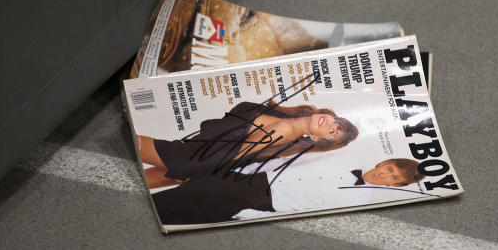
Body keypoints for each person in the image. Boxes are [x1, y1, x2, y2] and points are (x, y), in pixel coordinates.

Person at [137, 100, 358, 189]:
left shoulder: (286, 142)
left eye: (332, 131)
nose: (330, 124)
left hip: (192, 160)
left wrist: (194, 172)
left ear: (319, 139)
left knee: (133, 146)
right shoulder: (281, 111)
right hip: (195, 157)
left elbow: (233, 157)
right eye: (336, 122)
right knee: (136, 178)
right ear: (331, 114)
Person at [151, 157, 426, 226]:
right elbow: (290, 161)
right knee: (168, 197)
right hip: (247, 178)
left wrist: (247, 213)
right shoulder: (348, 158)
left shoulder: (362, 201)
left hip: (258, 203)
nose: (385, 174)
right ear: (384, 162)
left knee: (175, 217)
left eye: (393, 178)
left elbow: (308, 212)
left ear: (394, 186)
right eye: (390, 168)